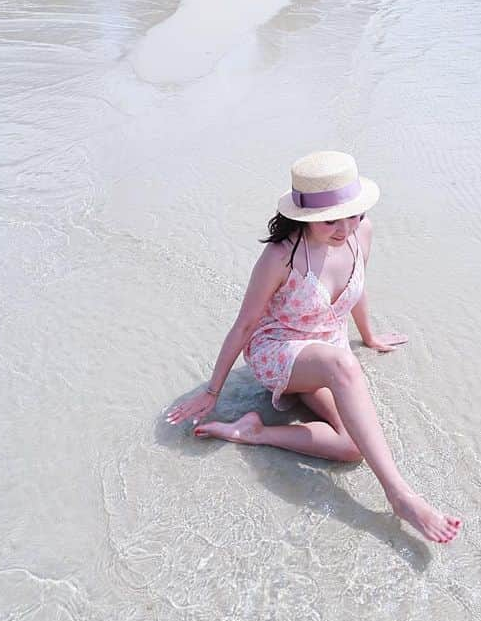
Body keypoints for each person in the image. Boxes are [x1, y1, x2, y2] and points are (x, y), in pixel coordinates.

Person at [165, 151, 461, 544]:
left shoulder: (362, 231)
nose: (344, 229)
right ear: (304, 218)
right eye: (330, 220)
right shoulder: (281, 255)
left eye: (351, 215)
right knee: (343, 366)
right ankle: (401, 496)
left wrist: (369, 337)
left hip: (328, 350)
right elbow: (245, 324)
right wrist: (212, 390)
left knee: (353, 447)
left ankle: (253, 432)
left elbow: (357, 287)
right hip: (279, 349)